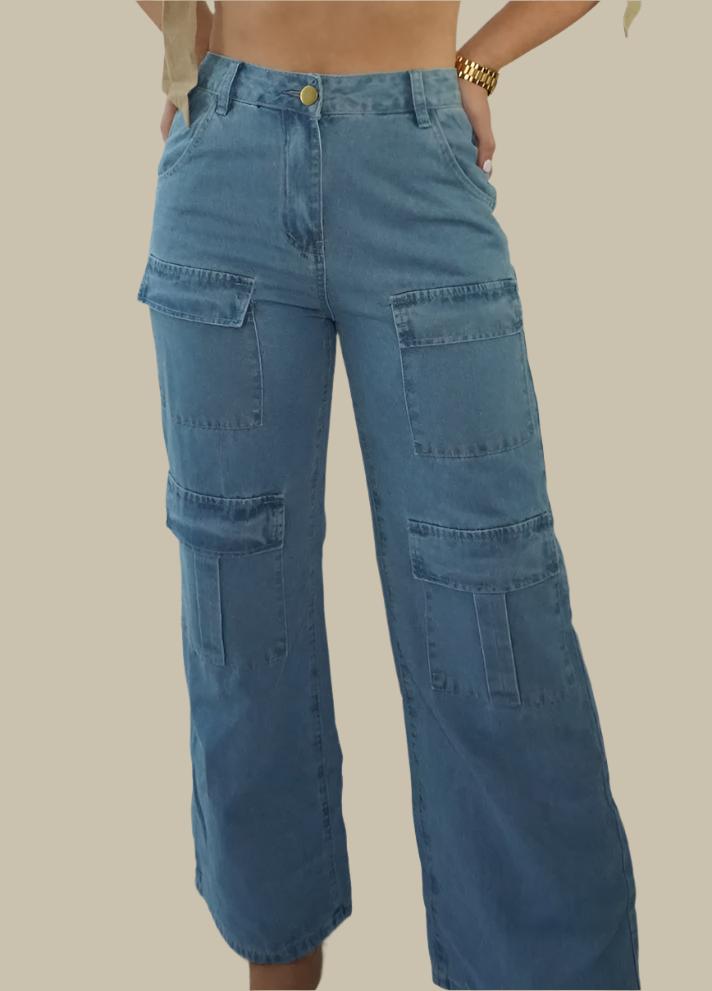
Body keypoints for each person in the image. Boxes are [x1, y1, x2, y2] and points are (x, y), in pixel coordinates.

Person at [135, 3, 642, 989]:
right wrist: (186, 38)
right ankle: (278, 965)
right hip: (225, 158)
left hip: (416, 158)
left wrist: (481, 64)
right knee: (242, 629)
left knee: (495, 612)